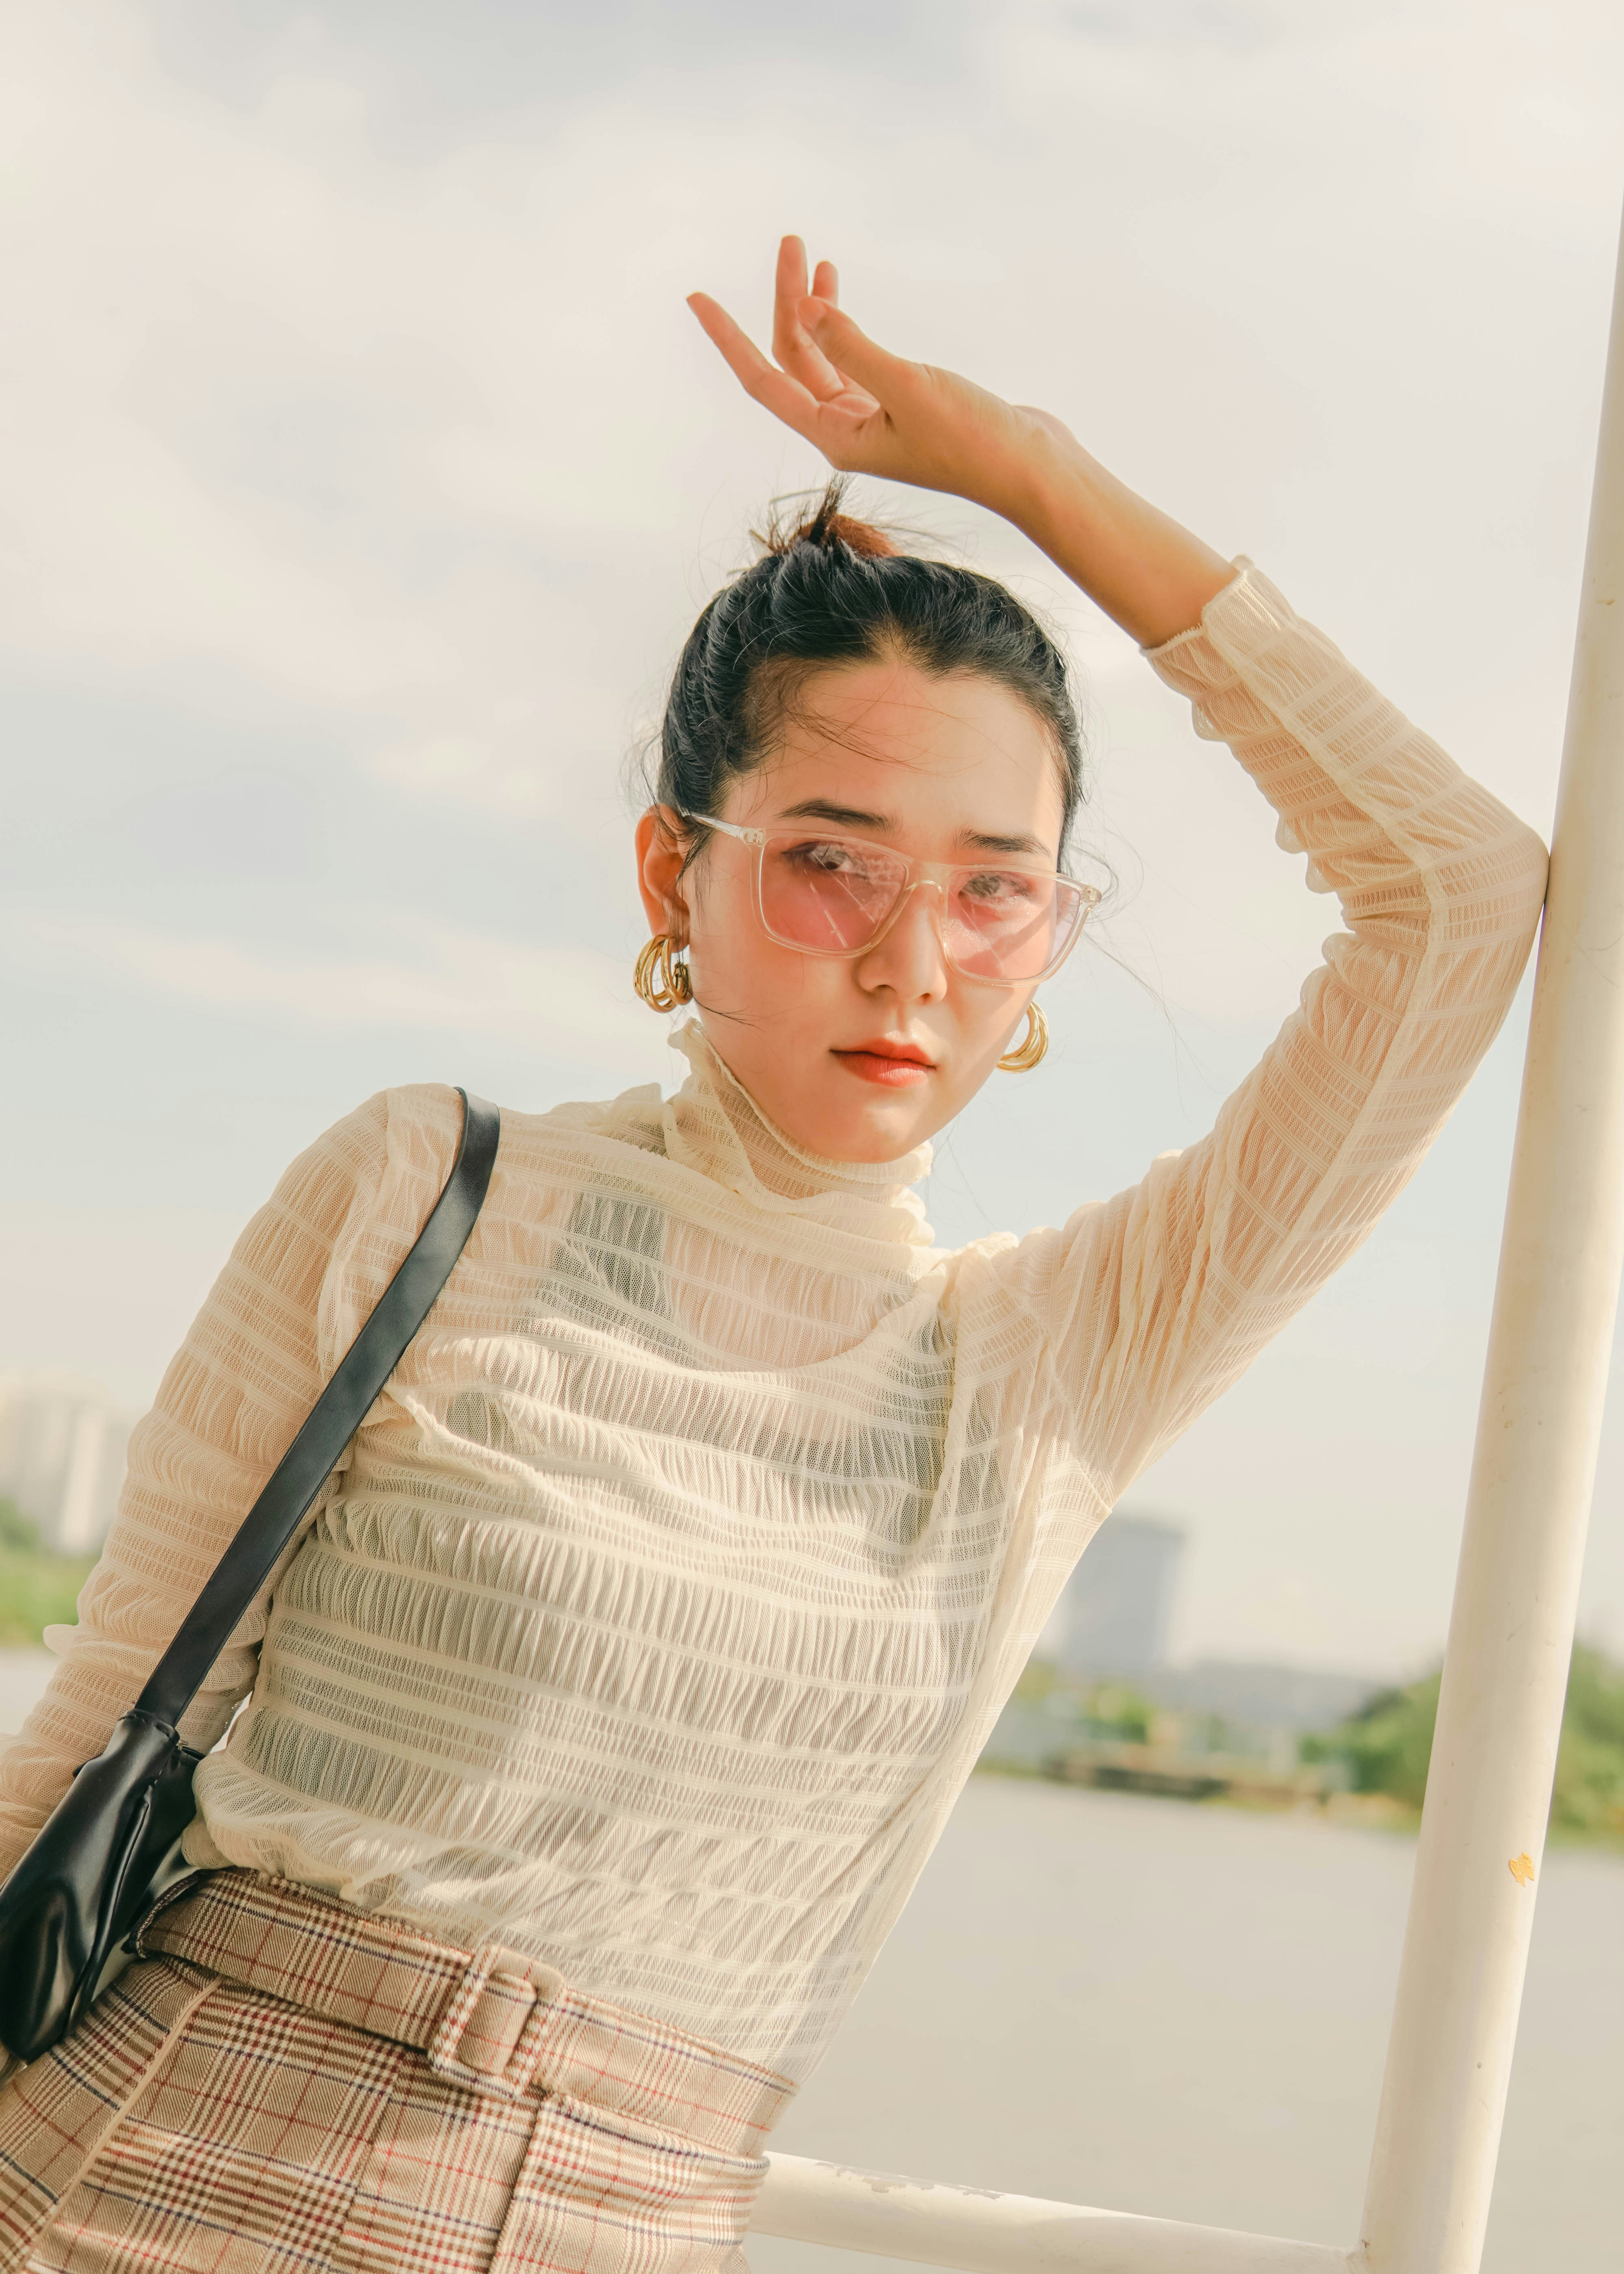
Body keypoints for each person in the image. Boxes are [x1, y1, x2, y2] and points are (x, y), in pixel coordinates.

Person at [0, 237, 1546, 2274]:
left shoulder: (1051, 1363)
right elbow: (98, 1714)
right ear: (676, 867)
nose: (912, 958)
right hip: (142, 2178)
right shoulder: (427, 1191)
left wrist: (1042, 476)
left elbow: (1452, 898)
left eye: (995, 891)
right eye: (830, 859)